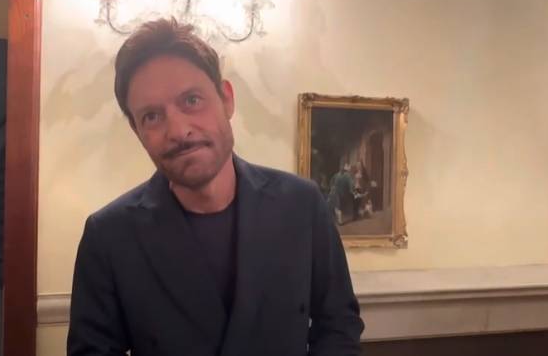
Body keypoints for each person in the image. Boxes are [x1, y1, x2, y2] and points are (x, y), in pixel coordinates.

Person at [67, 18, 364, 356]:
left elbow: (338, 325)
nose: (178, 130)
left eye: (192, 100)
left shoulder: (302, 205)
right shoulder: (108, 236)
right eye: (152, 116)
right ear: (137, 132)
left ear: (226, 99)